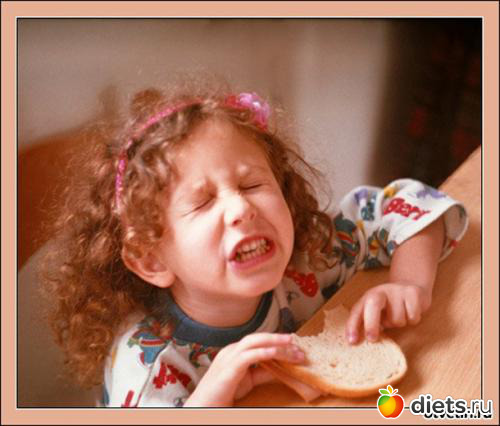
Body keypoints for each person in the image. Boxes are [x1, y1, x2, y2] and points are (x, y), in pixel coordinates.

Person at [41, 83, 468, 407]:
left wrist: (410, 282)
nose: (241, 208)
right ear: (151, 259)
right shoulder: (149, 366)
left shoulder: (311, 258)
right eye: (203, 202)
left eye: (251, 184)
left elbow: (409, 203)